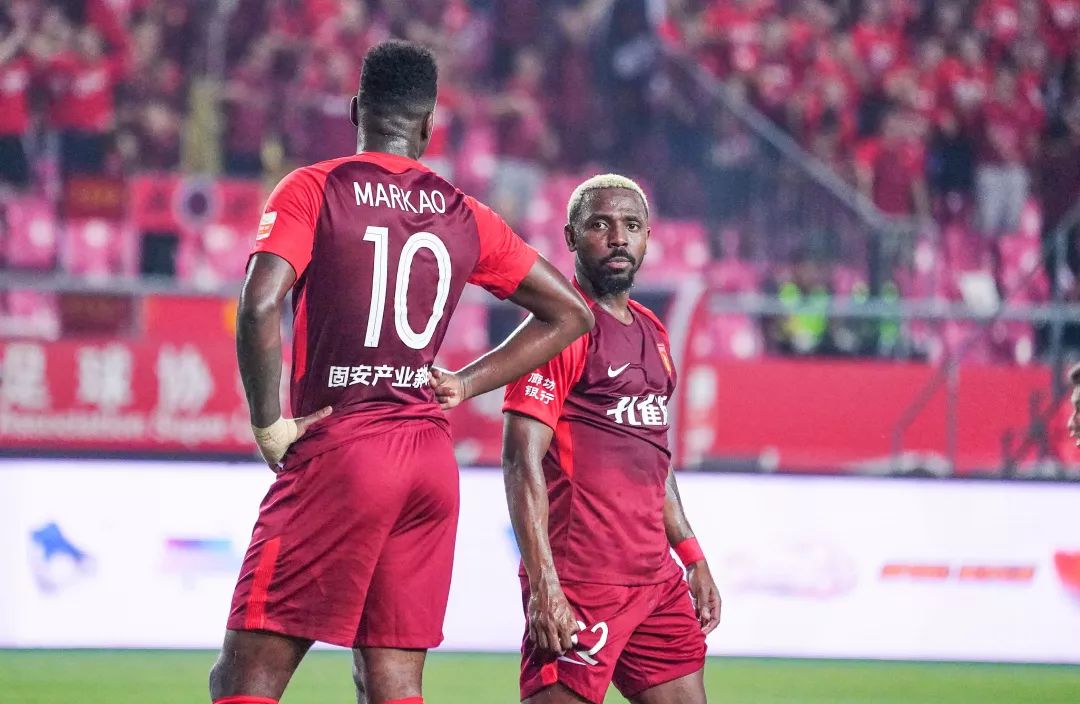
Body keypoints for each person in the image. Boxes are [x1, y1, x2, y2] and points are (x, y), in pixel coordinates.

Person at [210, 40, 593, 704]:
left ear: (356, 110)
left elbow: (260, 302)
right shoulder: (464, 212)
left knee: (244, 678)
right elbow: (571, 313)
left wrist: (269, 425)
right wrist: (466, 383)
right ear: (429, 125)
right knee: (391, 682)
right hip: (428, 466)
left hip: (343, 448)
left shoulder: (314, 187)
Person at [501, 174, 721, 704]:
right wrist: (545, 586)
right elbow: (519, 461)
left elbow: (654, 456)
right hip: (582, 582)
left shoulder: (653, 331)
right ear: (571, 237)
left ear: (647, 237)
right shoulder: (558, 329)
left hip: (656, 582)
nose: (618, 238)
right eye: (600, 225)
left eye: (631, 225)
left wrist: (691, 554)